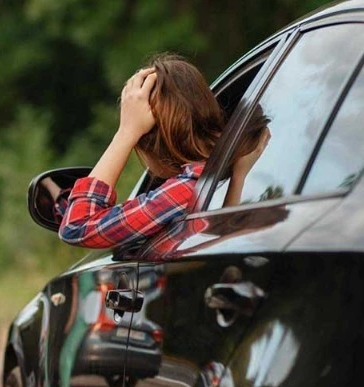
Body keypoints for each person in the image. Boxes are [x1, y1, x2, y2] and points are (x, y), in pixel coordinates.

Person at [56, 53, 265, 249]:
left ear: (148, 144)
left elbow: (76, 227)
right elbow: (222, 241)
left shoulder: (185, 190)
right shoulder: (223, 175)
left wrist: (126, 133)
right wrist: (238, 178)